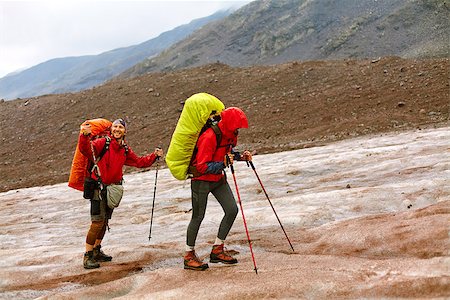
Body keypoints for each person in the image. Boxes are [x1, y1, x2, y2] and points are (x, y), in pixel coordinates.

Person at [78, 118, 163, 269]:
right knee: (97, 222)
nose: (117, 129)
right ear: (111, 130)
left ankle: (97, 250)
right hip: (98, 188)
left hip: (111, 189)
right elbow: (86, 149)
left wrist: (154, 156)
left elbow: (139, 162)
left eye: (120, 127)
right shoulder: (102, 143)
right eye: (115, 127)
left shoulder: (124, 149)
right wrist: (84, 136)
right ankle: (88, 256)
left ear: (125, 131)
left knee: (104, 222)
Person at [184, 107, 252, 271]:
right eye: (236, 126)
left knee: (231, 210)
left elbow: (228, 153)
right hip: (201, 181)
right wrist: (223, 163)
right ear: (229, 124)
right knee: (198, 217)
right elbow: (201, 166)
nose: (238, 130)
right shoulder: (209, 137)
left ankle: (217, 249)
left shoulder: (230, 135)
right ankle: (188, 256)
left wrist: (240, 157)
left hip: (218, 179)